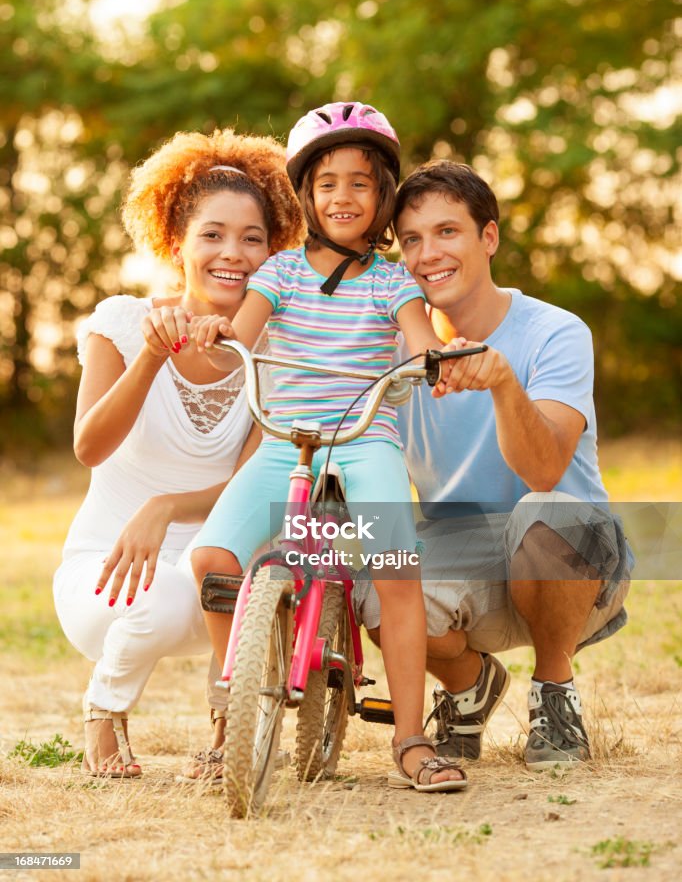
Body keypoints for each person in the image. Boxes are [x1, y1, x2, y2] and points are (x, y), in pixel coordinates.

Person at [188, 101, 467, 792]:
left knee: (398, 569)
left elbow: (419, 335)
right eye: (328, 183)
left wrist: (438, 356)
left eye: (361, 183)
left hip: (364, 439)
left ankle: (409, 739)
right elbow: (243, 334)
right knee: (214, 557)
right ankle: (230, 723)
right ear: (307, 196)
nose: (343, 196)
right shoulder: (279, 274)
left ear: (382, 198)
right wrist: (217, 334)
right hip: (289, 442)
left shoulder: (392, 281)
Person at [353, 159, 632, 771]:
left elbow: (546, 471)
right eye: (413, 240)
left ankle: (553, 691)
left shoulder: (556, 332)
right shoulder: (392, 350)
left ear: (489, 237)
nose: (429, 254)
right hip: (463, 549)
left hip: (571, 553)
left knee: (545, 513)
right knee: (378, 586)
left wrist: (504, 382)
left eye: (448, 232)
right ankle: (468, 686)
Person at [53, 128, 305, 778]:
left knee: (225, 583)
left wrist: (167, 506)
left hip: (215, 573)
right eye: (213, 235)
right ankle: (104, 709)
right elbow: (90, 445)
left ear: (274, 253)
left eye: (254, 239)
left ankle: (228, 724)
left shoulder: (276, 351)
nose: (234, 254)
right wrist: (151, 355)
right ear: (175, 244)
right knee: (162, 600)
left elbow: (255, 479)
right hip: (107, 575)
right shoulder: (120, 321)